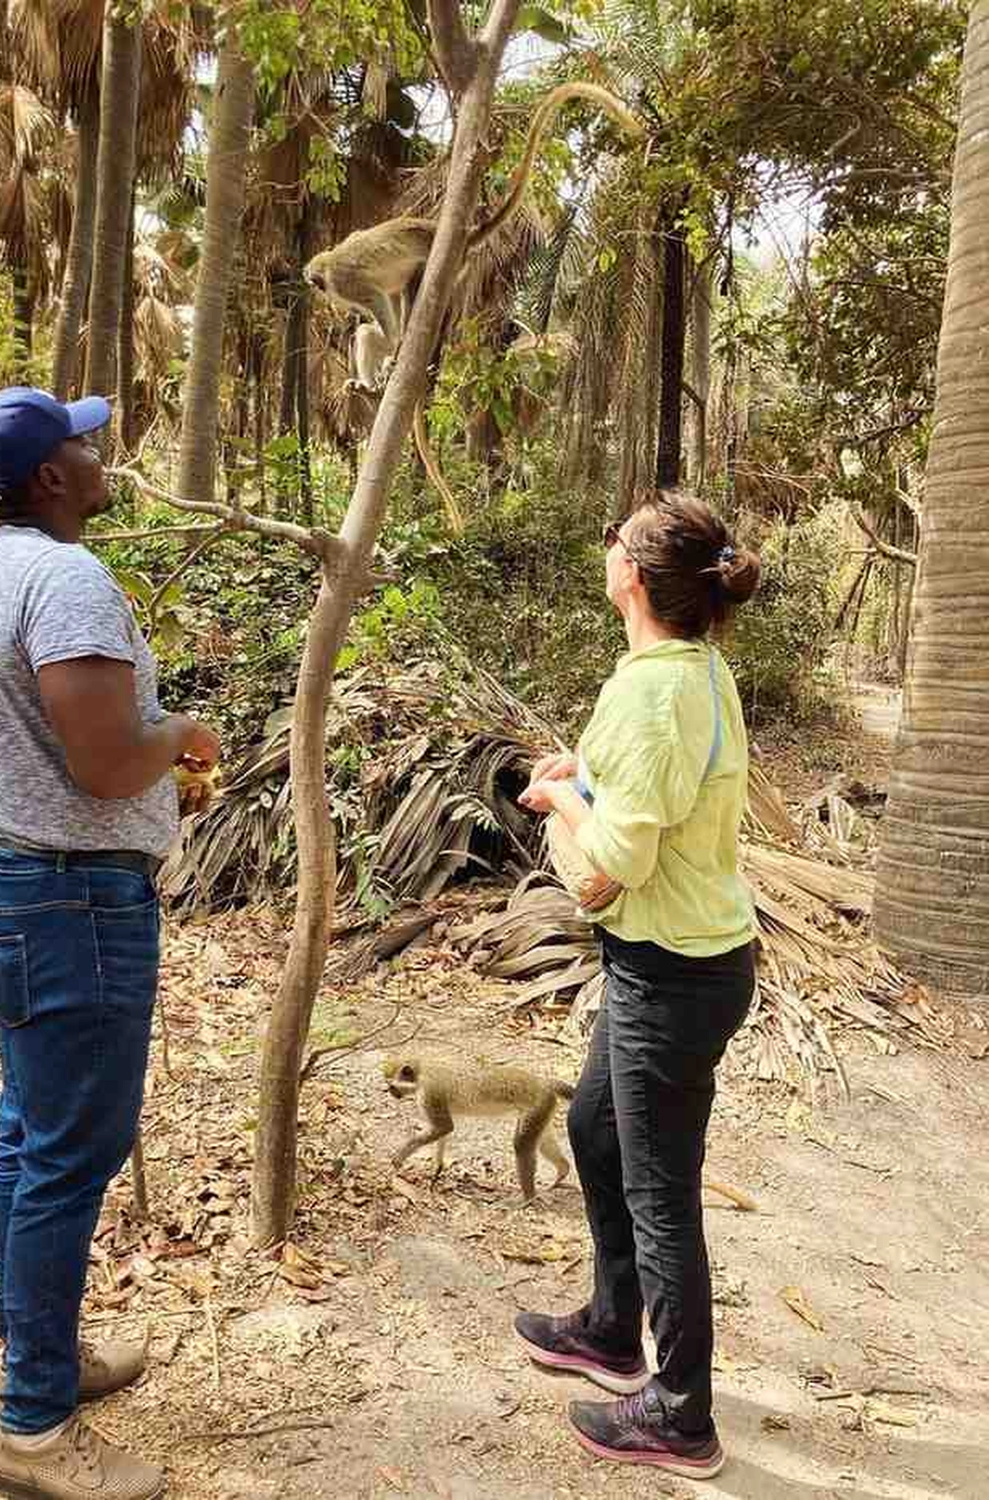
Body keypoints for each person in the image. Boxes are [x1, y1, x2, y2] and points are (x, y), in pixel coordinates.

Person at [0, 386, 220, 1500]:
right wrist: (184, 737)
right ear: (50, 478)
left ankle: (43, 1363)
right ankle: (32, 1429)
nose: (102, 451)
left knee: (30, 1139)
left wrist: (152, 759)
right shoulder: (66, 580)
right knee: (69, 1155)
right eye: (83, 442)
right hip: (74, 907)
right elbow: (109, 763)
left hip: (18, 889)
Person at [513, 489, 761, 1481]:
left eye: (618, 541)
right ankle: (614, 1331)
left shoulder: (655, 688)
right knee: (592, 1127)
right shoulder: (682, 669)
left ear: (637, 577)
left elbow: (616, 860)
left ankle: (680, 1413)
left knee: (662, 1196)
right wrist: (588, 780)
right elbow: (650, 792)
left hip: (675, 972)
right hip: (670, 963)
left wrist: (560, 795)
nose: (606, 545)